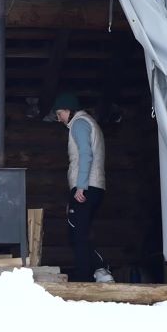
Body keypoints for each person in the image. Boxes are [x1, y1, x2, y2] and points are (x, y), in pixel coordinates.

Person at [53, 92, 113, 283]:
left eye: (60, 113)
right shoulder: (89, 123)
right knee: (80, 230)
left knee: (77, 234)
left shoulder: (79, 124)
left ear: (69, 111)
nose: (58, 118)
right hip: (94, 185)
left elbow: (86, 155)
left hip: (87, 185)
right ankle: (96, 271)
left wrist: (80, 187)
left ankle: (88, 275)